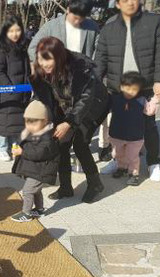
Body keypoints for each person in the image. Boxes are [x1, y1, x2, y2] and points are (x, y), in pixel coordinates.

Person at [95, 0, 160, 182]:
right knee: (118, 128)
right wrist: (94, 84)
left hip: (146, 86)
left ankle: (153, 162)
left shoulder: (155, 22)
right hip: (118, 88)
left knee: (148, 125)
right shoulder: (108, 28)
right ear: (118, 4)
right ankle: (118, 161)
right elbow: (100, 60)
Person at [30, 37, 109, 204]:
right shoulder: (40, 70)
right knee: (60, 143)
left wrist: (68, 122)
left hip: (94, 106)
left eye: (48, 59)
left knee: (80, 144)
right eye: (40, 59)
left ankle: (95, 184)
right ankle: (66, 187)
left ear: (58, 57)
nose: (44, 64)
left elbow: (85, 100)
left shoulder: (80, 67)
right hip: (66, 106)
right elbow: (42, 97)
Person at [10, 101, 59, 222]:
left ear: (45, 121)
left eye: (34, 122)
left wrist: (22, 152)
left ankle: (26, 213)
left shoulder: (47, 137)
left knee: (27, 191)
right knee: (36, 190)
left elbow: (39, 153)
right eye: (27, 121)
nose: (30, 125)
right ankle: (39, 208)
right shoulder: (33, 133)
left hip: (42, 170)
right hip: (36, 169)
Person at [109, 72, 160, 186]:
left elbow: (150, 111)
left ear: (139, 90)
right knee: (117, 154)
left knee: (132, 156)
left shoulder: (141, 100)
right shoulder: (115, 98)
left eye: (134, 89)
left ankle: (134, 174)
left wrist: (156, 99)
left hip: (135, 136)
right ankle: (121, 168)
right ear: (121, 86)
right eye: (127, 88)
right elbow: (104, 106)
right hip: (117, 134)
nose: (130, 92)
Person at [0, 16, 31, 162]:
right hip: (7, 92)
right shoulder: (1, 47)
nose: (15, 34)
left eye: (17, 30)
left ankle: (15, 146)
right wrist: (9, 87)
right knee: (4, 121)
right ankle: (0, 148)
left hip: (23, 91)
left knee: (18, 121)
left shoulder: (24, 46)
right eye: (11, 31)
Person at [27, 0, 99, 60]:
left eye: (81, 19)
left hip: (83, 73)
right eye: (75, 18)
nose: (77, 22)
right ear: (68, 10)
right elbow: (32, 49)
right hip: (56, 73)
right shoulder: (50, 27)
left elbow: (99, 51)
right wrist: (47, 62)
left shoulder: (92, 27)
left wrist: (91, 65)